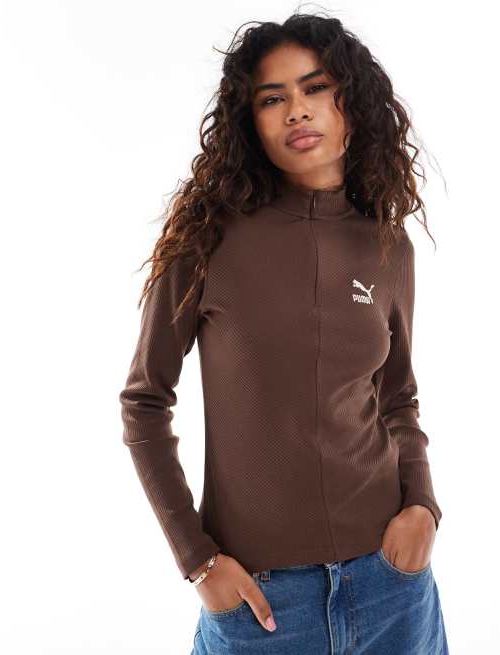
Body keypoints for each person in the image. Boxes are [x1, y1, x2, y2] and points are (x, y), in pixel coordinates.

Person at [119, 11, 449, 654]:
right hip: (261, 604)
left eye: (315, 87)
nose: (296, 110)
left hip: (391, 587)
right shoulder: (206, 239)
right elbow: (144, 403)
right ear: (251, 122)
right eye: (272, 98)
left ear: (352, 102)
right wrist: (198, 560)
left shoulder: (387, 246)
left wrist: (422, 507)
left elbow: (397, 394)